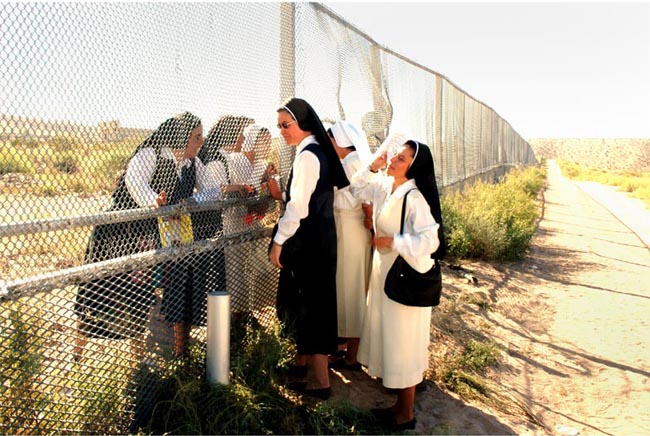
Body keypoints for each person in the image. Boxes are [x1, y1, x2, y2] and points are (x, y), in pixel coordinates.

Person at [74, 112, 205, 360]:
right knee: (100, 291)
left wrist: (188, 203)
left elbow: (205, 190)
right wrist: (152, 201)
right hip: (118, 233)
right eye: (196, 136)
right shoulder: (151, 154)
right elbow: (135, 182)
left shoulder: (190, 165)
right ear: (180, 137)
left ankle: (136, 359)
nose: (201, 141)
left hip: (147, 236)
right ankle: (77, 356)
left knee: (139, 296)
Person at [349, 138, 443, 430]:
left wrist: (393, 241)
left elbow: (431, 240)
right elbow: (355, 188)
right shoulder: (385, 186)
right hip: (385, 272)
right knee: (390, 336)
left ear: (414, 167)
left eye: (401, 159)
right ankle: (400, 405)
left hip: (404, 275)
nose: (393, 160)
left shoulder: (414, 197)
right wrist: (372, 166)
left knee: (404, 342)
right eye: (395, 155)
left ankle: (405, 414)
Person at [268, 97, 349, 400]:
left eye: (285, 125)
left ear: (302, 123)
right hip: (321, 240)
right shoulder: (315, 151)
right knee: (314, 305)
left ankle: (319, 382)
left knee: (312, 307)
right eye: (278, 126)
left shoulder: (308, 156)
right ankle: (306, 369)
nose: (281, 131)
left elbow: (297, 207)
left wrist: (278, 241)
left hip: (309, 243)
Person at [326, 121, 373, 371]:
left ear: (340, 141)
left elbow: (363, 199)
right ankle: (349, 348)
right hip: (351, 229)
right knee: (351, 287)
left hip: (349, 229)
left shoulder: (349, 163)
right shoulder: (355, 161)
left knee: (350, 289)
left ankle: (352, 355)